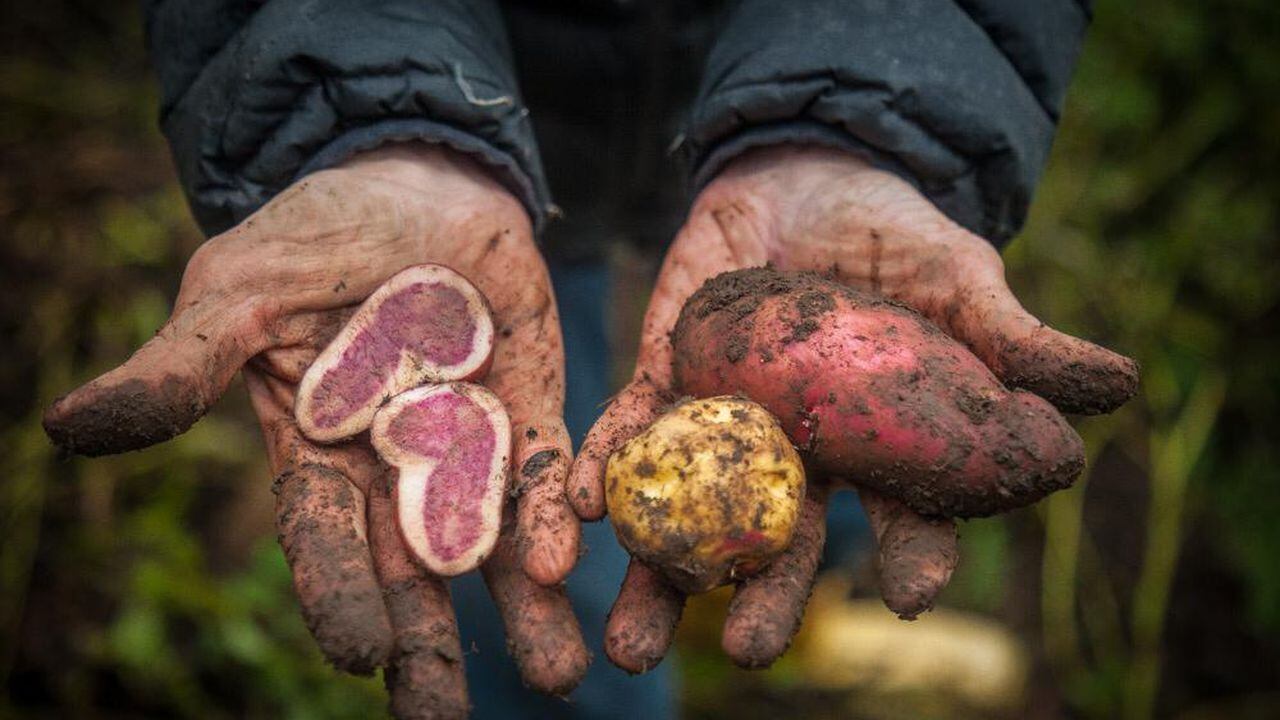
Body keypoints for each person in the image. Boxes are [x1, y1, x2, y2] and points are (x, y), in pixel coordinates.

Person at [44, 1, 1135, 718]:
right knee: (541, 498)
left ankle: (824, 595)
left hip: (770, 132)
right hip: (482, 145)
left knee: (840, 407)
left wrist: (861, 127)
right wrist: (367, 126)